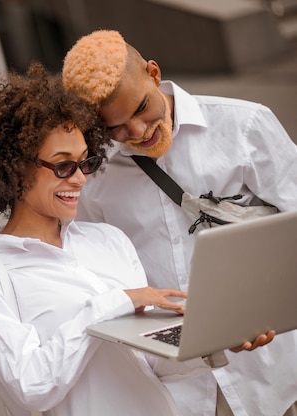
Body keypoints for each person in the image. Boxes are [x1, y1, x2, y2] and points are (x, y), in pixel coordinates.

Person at [0, 63, 269, 416]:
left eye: (85, 163)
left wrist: (214, 339)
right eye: (62, 166)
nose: (79, 180)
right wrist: (115, 303)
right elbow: (31, 388)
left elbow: (148, 365)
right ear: (13, 170)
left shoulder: (107, 240)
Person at [62, 29, 297, 416]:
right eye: (114, 128)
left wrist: (269, 307)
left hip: (268, 374)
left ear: (154, 73)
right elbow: (102, 279)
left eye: (140, 108)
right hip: (176, 387)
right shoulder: (94, 177)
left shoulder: (244, 126)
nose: (137, 133)